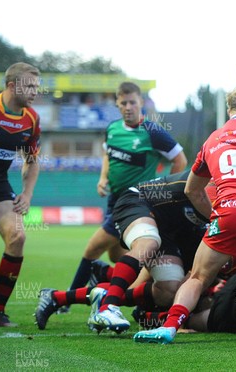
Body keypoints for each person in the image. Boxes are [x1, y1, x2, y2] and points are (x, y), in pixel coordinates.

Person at [133, 84, 236, 346]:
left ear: (229, 109)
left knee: (199, 277)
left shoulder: (212, 139)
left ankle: (169, 327)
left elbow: (192, 190)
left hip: (229, 209)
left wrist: (216, 215)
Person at [35, 170, 207, 330]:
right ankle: (107, 307)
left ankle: (58, 297)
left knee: (169, 290)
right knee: (147, 243)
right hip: (139, 201)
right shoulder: (216, 191)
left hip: (171, 229)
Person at [65, 82, 187, 298]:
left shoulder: (152, 132)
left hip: (135, 203)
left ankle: (67, 298)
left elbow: (180, 160)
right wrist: (102, 178)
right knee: (117, 254)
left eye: (133, 102)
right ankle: (111, 278)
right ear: (117, 104)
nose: (128, 106)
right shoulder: (112, 128)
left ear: (141, 102)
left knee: (92, 249)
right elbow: (107, 155)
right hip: (114, 200)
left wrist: (163, 189)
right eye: (124, 103)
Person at [0, 62, 41, 327]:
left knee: (17, 235)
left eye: (36, 86)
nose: (35, 91)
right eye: (29, 85)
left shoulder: (31, 119)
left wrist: (27, 195)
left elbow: (31, 161)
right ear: (11, 86)